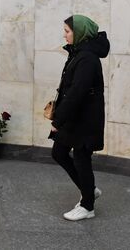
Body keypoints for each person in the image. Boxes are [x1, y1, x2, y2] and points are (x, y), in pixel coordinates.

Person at [50, 14, 110, 221]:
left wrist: (58, 120)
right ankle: (89, 190)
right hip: (76, 116)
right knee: (59, 152)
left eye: (67, 31)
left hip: (85, 119)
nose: (64, 35)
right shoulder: (80, 53)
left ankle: (87, 206)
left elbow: (77, 92)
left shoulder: (87, 58)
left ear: (81, 32)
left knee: (82, 158)